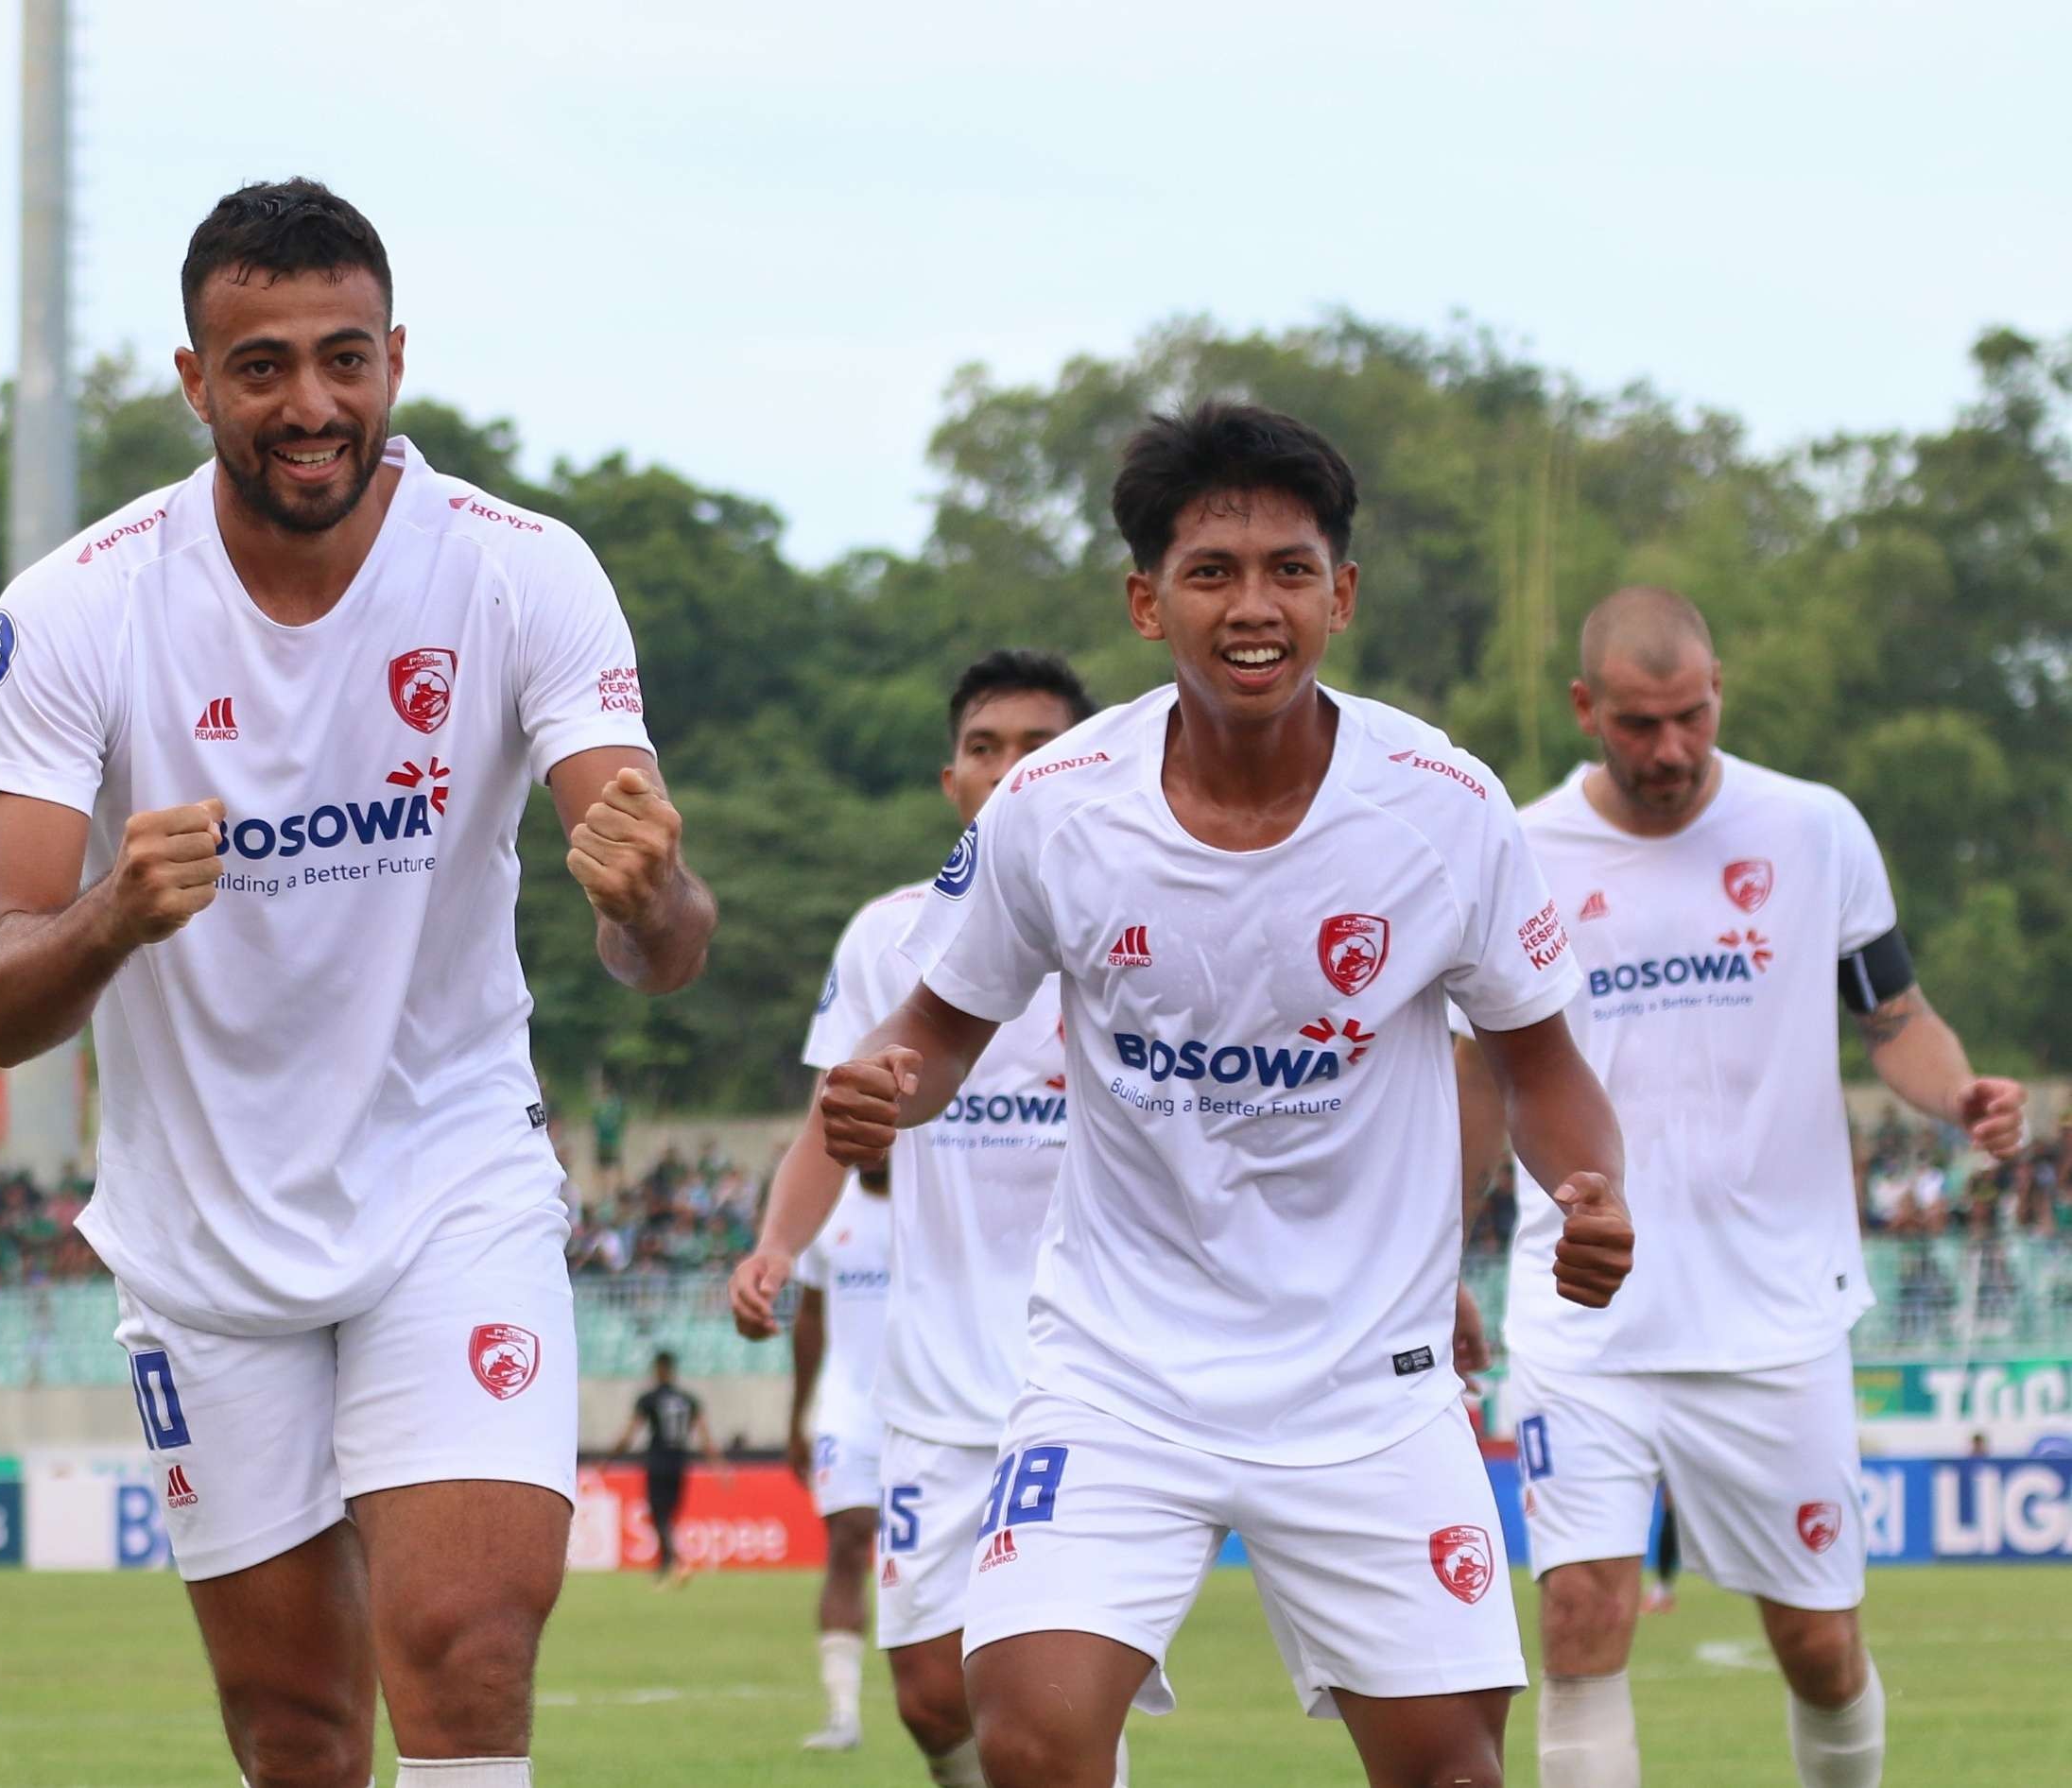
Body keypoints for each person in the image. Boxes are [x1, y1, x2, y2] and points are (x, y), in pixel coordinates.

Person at [0, 178, 715, 1788]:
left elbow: (656, 940)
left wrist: (651, 899)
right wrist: (111, 914)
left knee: (470, 1650)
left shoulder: (518, 571)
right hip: (204, 1230)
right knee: (293, 1730)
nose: (311, 404)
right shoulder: (79, 603)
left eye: (343, 359)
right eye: (264, 365)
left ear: (396, 359)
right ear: (194, 380)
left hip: (450, 1183)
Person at [818, 402, 1636, 1788]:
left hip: (1365, 1382)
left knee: (1450, 1769)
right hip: (1114, 1372)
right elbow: (935, 1025)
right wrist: (885, 1087)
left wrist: (1587, 1187)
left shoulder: (1443, 806)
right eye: (1210, 573)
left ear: (1341, 594)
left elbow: (1540, 1061)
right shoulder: (1057, 803)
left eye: (1288, 571)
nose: (1251, 607)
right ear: (1147, 601)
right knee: (1025, 1733)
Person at [1472, 584, 2025, 1788]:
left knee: (1819, 1645)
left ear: (1720, 692)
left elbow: (1895, 1016)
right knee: (1578, 1623)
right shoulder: (1519, 850)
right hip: (1585, 1311)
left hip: (1774, 1310)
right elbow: (1483, 1075)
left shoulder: (1813, 828)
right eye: (1637, 723)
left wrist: (1960, 1093)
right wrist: (1425, 1249)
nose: (1668, 749)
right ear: (1585, 709)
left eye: (1690, 716)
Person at [728, 648, 1097, 1786]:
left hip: (1089, 1376)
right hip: (933, 1385)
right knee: (934, 1696)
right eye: (985, 748)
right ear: (952, 781)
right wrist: (778, 1244)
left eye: (1038, 747)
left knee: (1053, 1702)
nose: (1008, 769)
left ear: (1086, 765)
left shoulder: (1132, 934)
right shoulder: (885, 938)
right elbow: (826, 1122)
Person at [784, 1161, 890, 1749]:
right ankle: (843, 1714)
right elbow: (810, 1317)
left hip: (937, 1408)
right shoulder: (829, 1206)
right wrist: (797, 1414)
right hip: (848, 1409)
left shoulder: (941, 1197)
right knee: (848, 1540)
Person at [613, 1351, 722, 1585]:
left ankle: (671, 1563)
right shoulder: (689, 1399)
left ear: (659, 1369)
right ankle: (667, 1564)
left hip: (657, 1462)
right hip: (680, 1463)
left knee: (658, 1514)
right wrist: (719, 1466)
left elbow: (629, 1434)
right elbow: (705, 1437)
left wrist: (608, 1460)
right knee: (669, 1515)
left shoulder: (648, 1399)